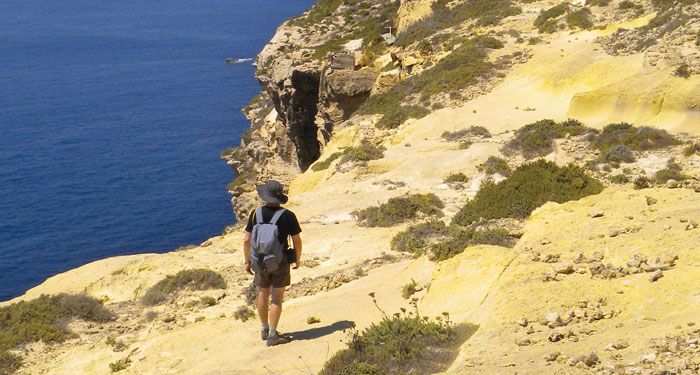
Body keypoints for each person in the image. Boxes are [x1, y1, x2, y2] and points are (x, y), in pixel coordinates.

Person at [243, 180, 302, 346]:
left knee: (262, 292)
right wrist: (297, 259)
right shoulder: (288, 215)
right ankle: (272, 335)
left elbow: (246, 239)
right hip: (280, 261)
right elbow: (296, 241)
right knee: (276, 298)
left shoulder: (255, 214)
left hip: (259, 261)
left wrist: (248, 260)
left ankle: (263, 328)